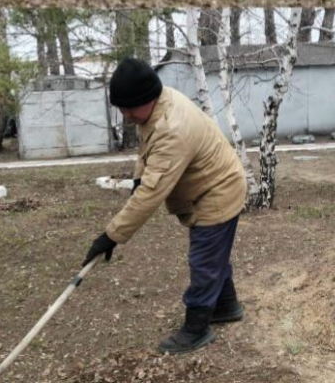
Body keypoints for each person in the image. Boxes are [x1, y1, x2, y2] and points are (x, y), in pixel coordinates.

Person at [83, 57, 246, 355]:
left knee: (204, 261)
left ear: (147, 98)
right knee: (213, 256)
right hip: (213, 184)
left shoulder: (172, 127)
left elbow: (151, 194)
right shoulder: (159, 103)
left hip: (217, 191)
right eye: (122, 108)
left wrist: (111, 235)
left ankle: (196, 330)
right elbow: (147, 149)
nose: (126, 114)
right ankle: (226, 306)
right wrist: (137, 179)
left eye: (129, 108)